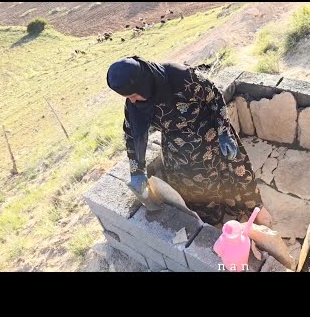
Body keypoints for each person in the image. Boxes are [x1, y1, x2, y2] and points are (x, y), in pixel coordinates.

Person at [106, 56, 272, 227]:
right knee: (199, 192)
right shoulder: (136, 105)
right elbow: (132, 135)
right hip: (180, 154)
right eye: (128, 97)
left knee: (236, 175)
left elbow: (214, 98)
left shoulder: (181, 77)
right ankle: (214, 223)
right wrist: (137, 170)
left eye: (133, 95)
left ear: (143, 83)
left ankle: (254, 210)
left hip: (213, 138)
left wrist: (223, 132)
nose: (132, 101)